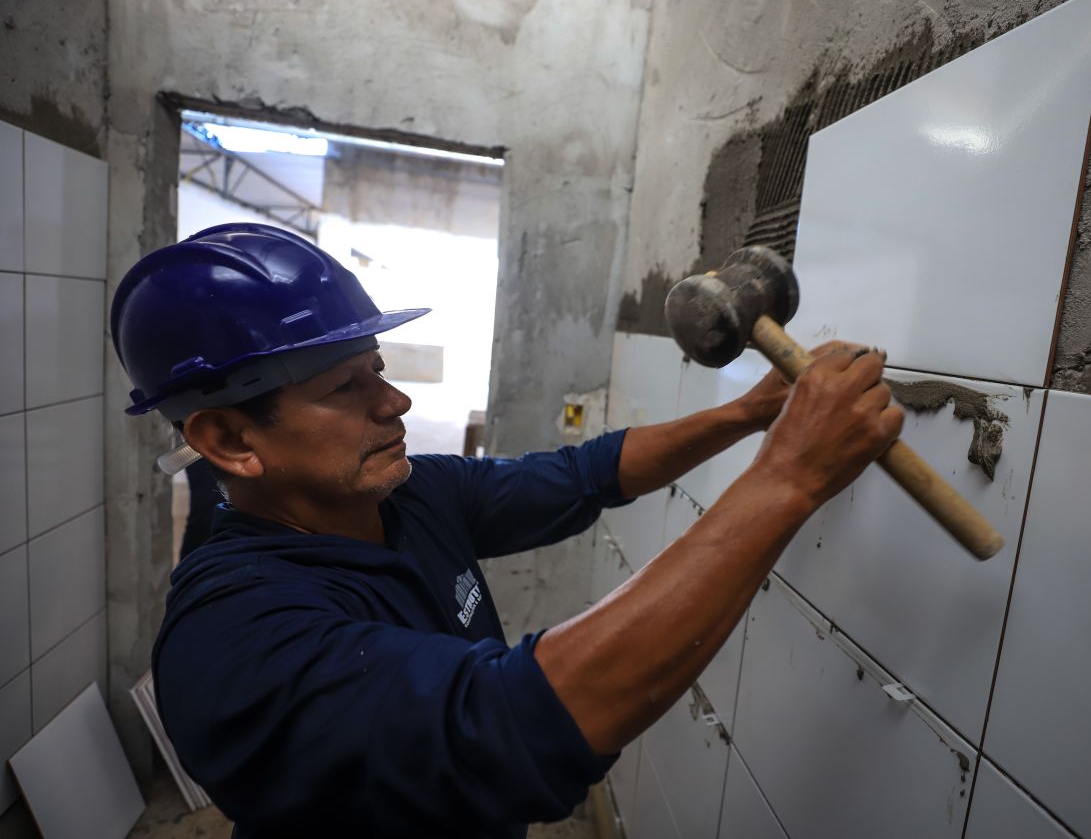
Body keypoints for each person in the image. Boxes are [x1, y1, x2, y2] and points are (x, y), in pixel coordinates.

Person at [110, 223, 902, 839]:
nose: (395, 403)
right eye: (346, 387)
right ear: (231, 440)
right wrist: (789, 476)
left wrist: (751, 412)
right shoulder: (233, 637)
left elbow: (588, 473)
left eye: (377, 368)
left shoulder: (414, 494)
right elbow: (516, 722)